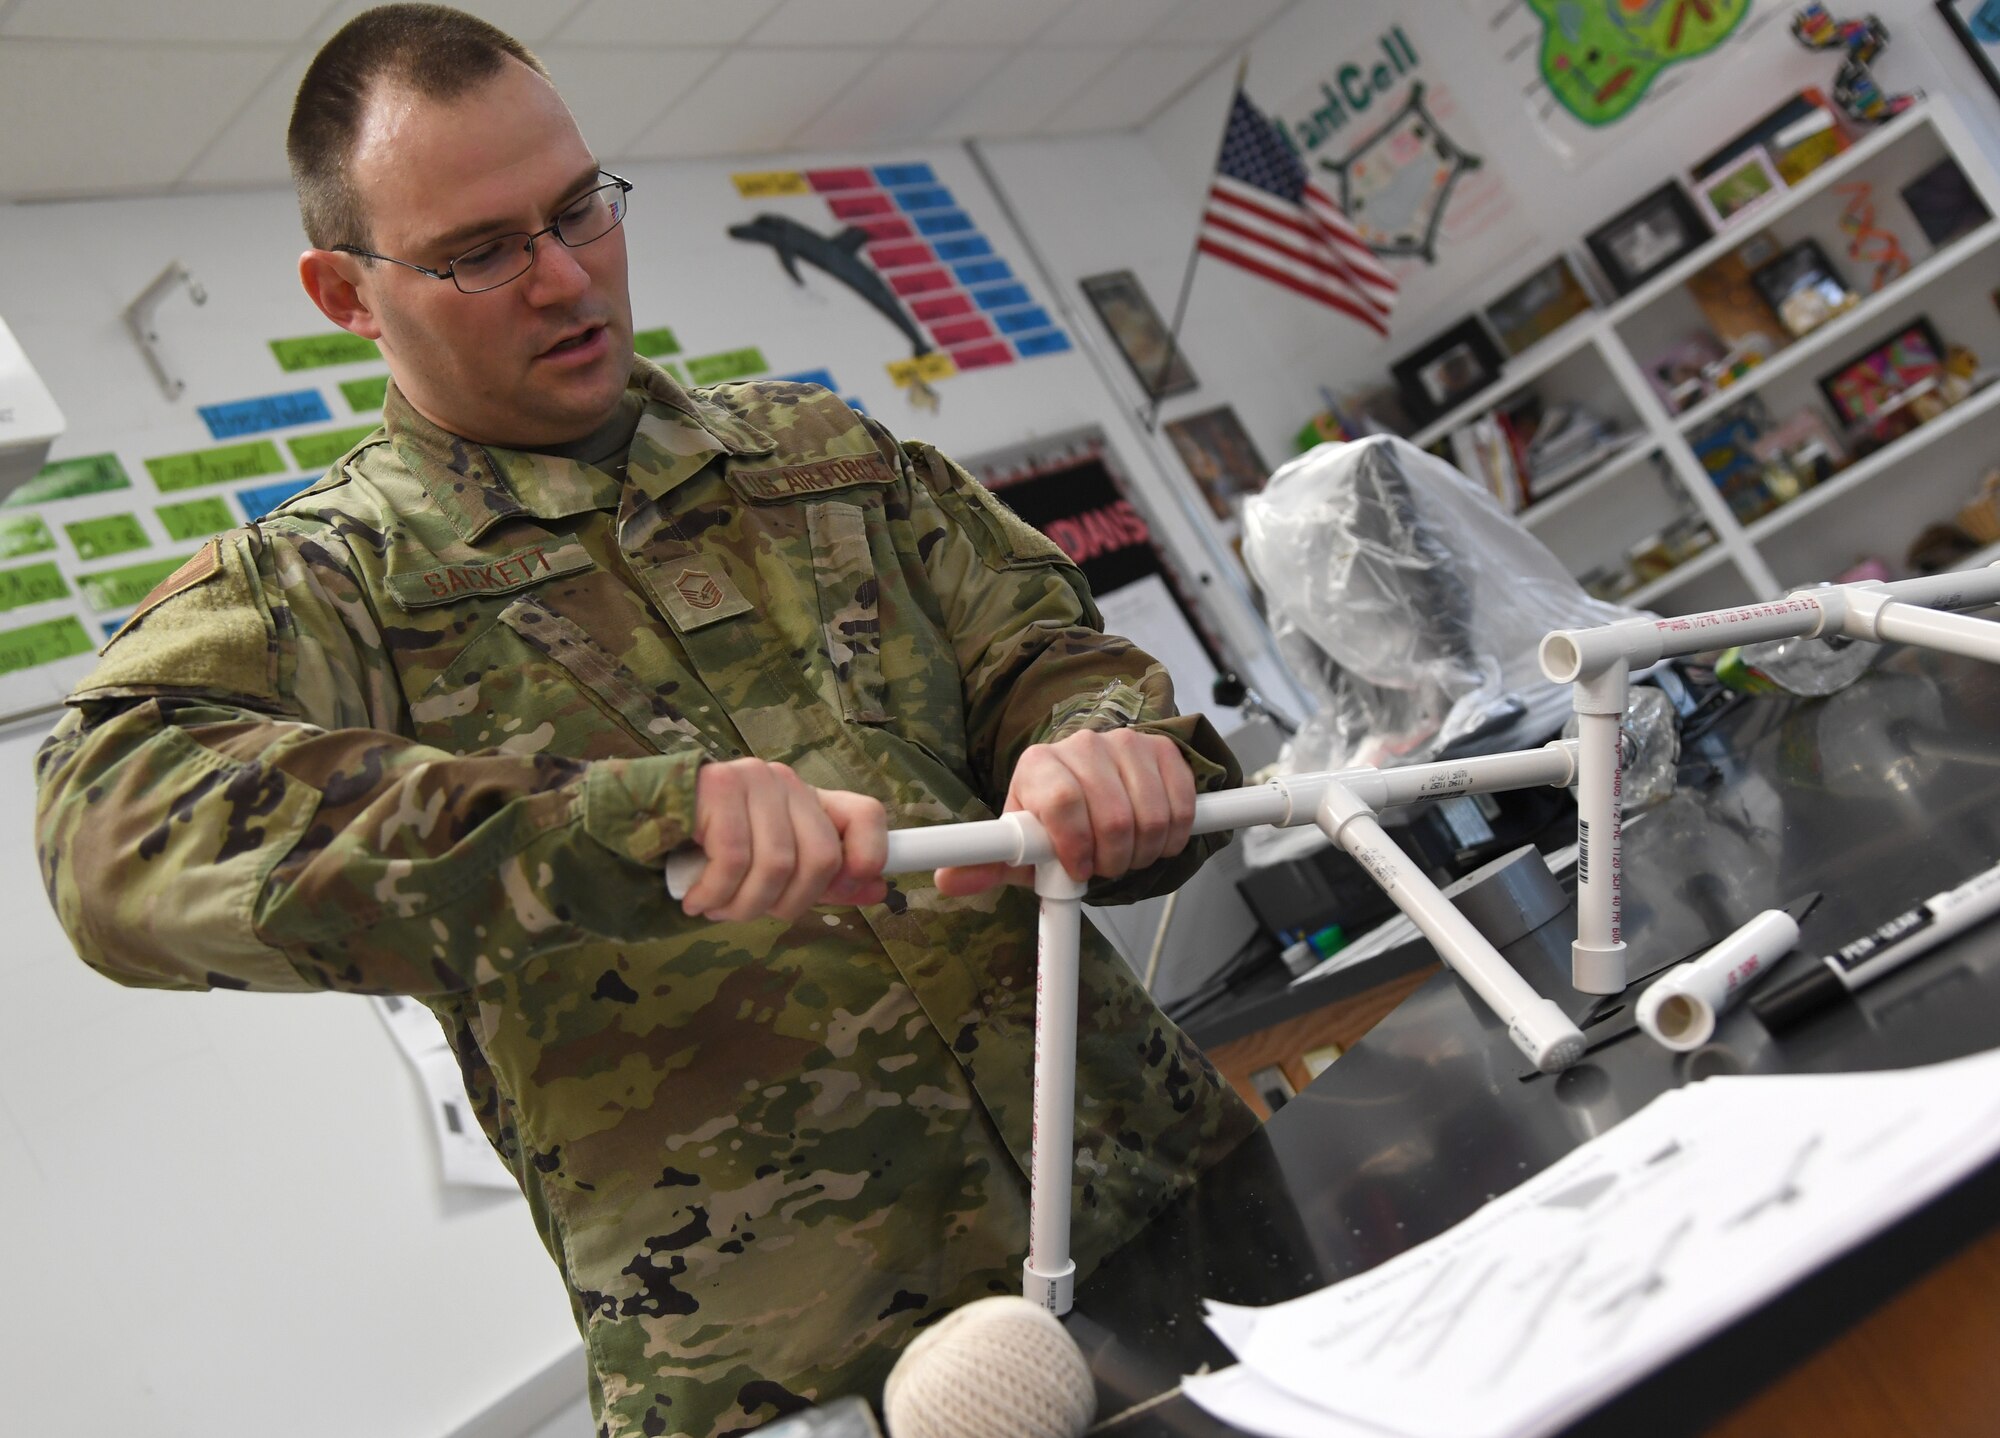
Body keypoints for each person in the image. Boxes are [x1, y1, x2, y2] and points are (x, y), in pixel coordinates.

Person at [32, 6, 1257, 1434]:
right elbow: (106, 821)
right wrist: (611, 825)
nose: (564, 280)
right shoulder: (335, 583)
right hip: (791, 1374)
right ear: (346, 294)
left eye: (579, 211)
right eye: (482, 251)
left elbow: (1042, 653)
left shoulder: (820, 454)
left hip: (1167, 1203)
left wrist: (1101, 741)